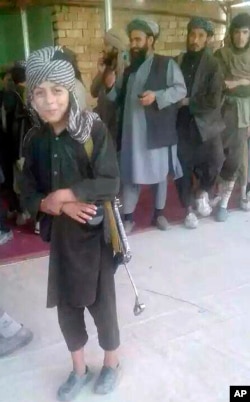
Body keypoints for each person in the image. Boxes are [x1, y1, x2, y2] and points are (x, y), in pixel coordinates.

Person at [21, 46, 121, 400]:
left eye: (57, 90)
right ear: (30, 96)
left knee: (103, 306)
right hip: (62, 239)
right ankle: (79, 370)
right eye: (39, 92)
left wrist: (69, 192)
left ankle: (111, 363)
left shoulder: (92, 130)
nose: (49, 101)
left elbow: (110, 181)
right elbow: (27, 189)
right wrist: (54, 204)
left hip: (95, 238)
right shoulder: (34, 139)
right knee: (67, 310)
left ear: (71, 90)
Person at [104, 17, 186, 234]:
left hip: (158, 130)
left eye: (138, 39)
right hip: (132, 134)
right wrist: (110, 85)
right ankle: (129, 218)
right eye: (132, 40)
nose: (134, 44)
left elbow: (180, 90)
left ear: (150, 40)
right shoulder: (129, 69)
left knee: (160, 175)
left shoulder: (166, 64)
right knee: (131, 174)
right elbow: (115, 97)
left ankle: (159, 214)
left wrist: (157, 96)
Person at [175, 17, 225, 229]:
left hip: (207, 124)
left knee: (216, 159)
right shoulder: (178, 61)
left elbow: (214, 99)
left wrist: (188, 101)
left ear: (208, 39)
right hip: (182, 125)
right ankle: (187, 209)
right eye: (192, 35)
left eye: (200, 36)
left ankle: (202, 192)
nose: (195, 40)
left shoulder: (213, 64)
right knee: (183, 169)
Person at [214, 13, 250, 221]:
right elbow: (220, 81)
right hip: (226, 109)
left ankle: (237, 196)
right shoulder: (223, 55)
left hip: (246, 110)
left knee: (240, 155)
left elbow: (233, 83)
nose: (240, 37)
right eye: (236, 32)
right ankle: (219, 195)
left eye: (245, 32)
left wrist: (238, 83)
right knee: (221, 153)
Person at [90, 28, 128, 146]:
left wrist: (110, 87)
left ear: (116, 47)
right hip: (103, 123)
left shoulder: (126, 68)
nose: (104, 49)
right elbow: (93, 92)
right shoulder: (107, 66)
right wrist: (101, 73)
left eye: (107, 45)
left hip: (116, 127)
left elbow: (120, 101)